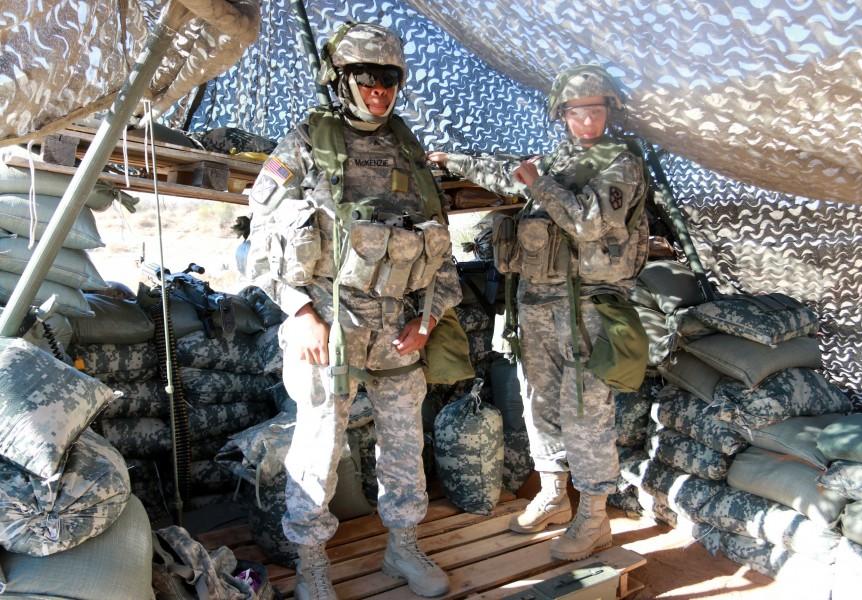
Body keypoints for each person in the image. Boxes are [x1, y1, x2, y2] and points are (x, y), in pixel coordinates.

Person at [243, 22, 461, 599]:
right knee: (317, 447)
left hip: (397, 331)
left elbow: (441, 252)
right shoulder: (308, 143)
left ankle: (403, 547)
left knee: (403, 445)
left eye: (389, 79)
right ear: (340, 80)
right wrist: (299, 312)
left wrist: (429, 320)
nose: (379, 91)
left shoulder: (409, 151)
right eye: (367, 77)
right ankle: (313, 564)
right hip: (328, 326)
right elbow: (256, 242)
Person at [429, 65, 649, 561]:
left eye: (595, 111)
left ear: (608, 112)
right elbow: (509, 172)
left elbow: (590, 223)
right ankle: (552, 492)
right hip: (537, 304)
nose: (587, 121)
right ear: (562, 115)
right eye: (577, 112)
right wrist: (454, 159)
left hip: (588, 308)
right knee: (539, 402)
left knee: (585, 410)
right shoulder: (560, 160)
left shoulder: (621, 164)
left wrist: (539, 183)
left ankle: (593, 516)